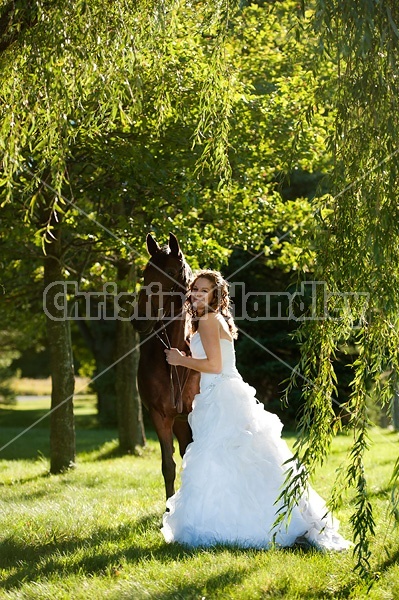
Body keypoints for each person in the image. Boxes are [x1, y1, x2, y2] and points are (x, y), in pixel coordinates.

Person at [162, 270, 352, 551]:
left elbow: (214, 366)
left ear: (216, 295)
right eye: (194, 289)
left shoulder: (210, 320)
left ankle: (243, 524)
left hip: (223, 396)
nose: (197, 294)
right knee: (233, 460)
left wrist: (181, 360)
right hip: (219, 393)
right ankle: (234, 518)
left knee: (219, 457)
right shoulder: (209, 320)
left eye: (204, 290)